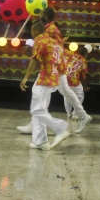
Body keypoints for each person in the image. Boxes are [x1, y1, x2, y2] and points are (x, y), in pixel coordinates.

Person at [19, 21, 71, 151]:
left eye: (32, 31)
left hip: (44, 79)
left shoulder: (39, 40)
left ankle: (60, 129)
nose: (31, 33)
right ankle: (41, 142)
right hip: (54, 78)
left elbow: (34, 60)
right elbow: (59, 61)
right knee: (40, 111)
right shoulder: (54, 42)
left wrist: (25, 77)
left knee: (37, 110)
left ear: (36, 31)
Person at [40, 7, 92, 131]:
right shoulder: (82, 60)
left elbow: (57, 49)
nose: (38, 15)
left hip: (55, 67)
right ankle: (37, 124)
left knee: (62, 93)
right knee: (57, 93)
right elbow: (85, 75)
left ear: (46, 16)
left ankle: (79, 115)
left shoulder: (51, 29)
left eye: (41, 13)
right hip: (57, 68)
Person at [62, 46, 89, 120]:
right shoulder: (83, 60)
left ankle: (68, 113)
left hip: (64, 79)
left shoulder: (70, 55)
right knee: (80, 96)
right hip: (74, 81)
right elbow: (84, 76)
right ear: (85, 54)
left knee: (66, 96)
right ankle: (75, 113)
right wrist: (85, 86)